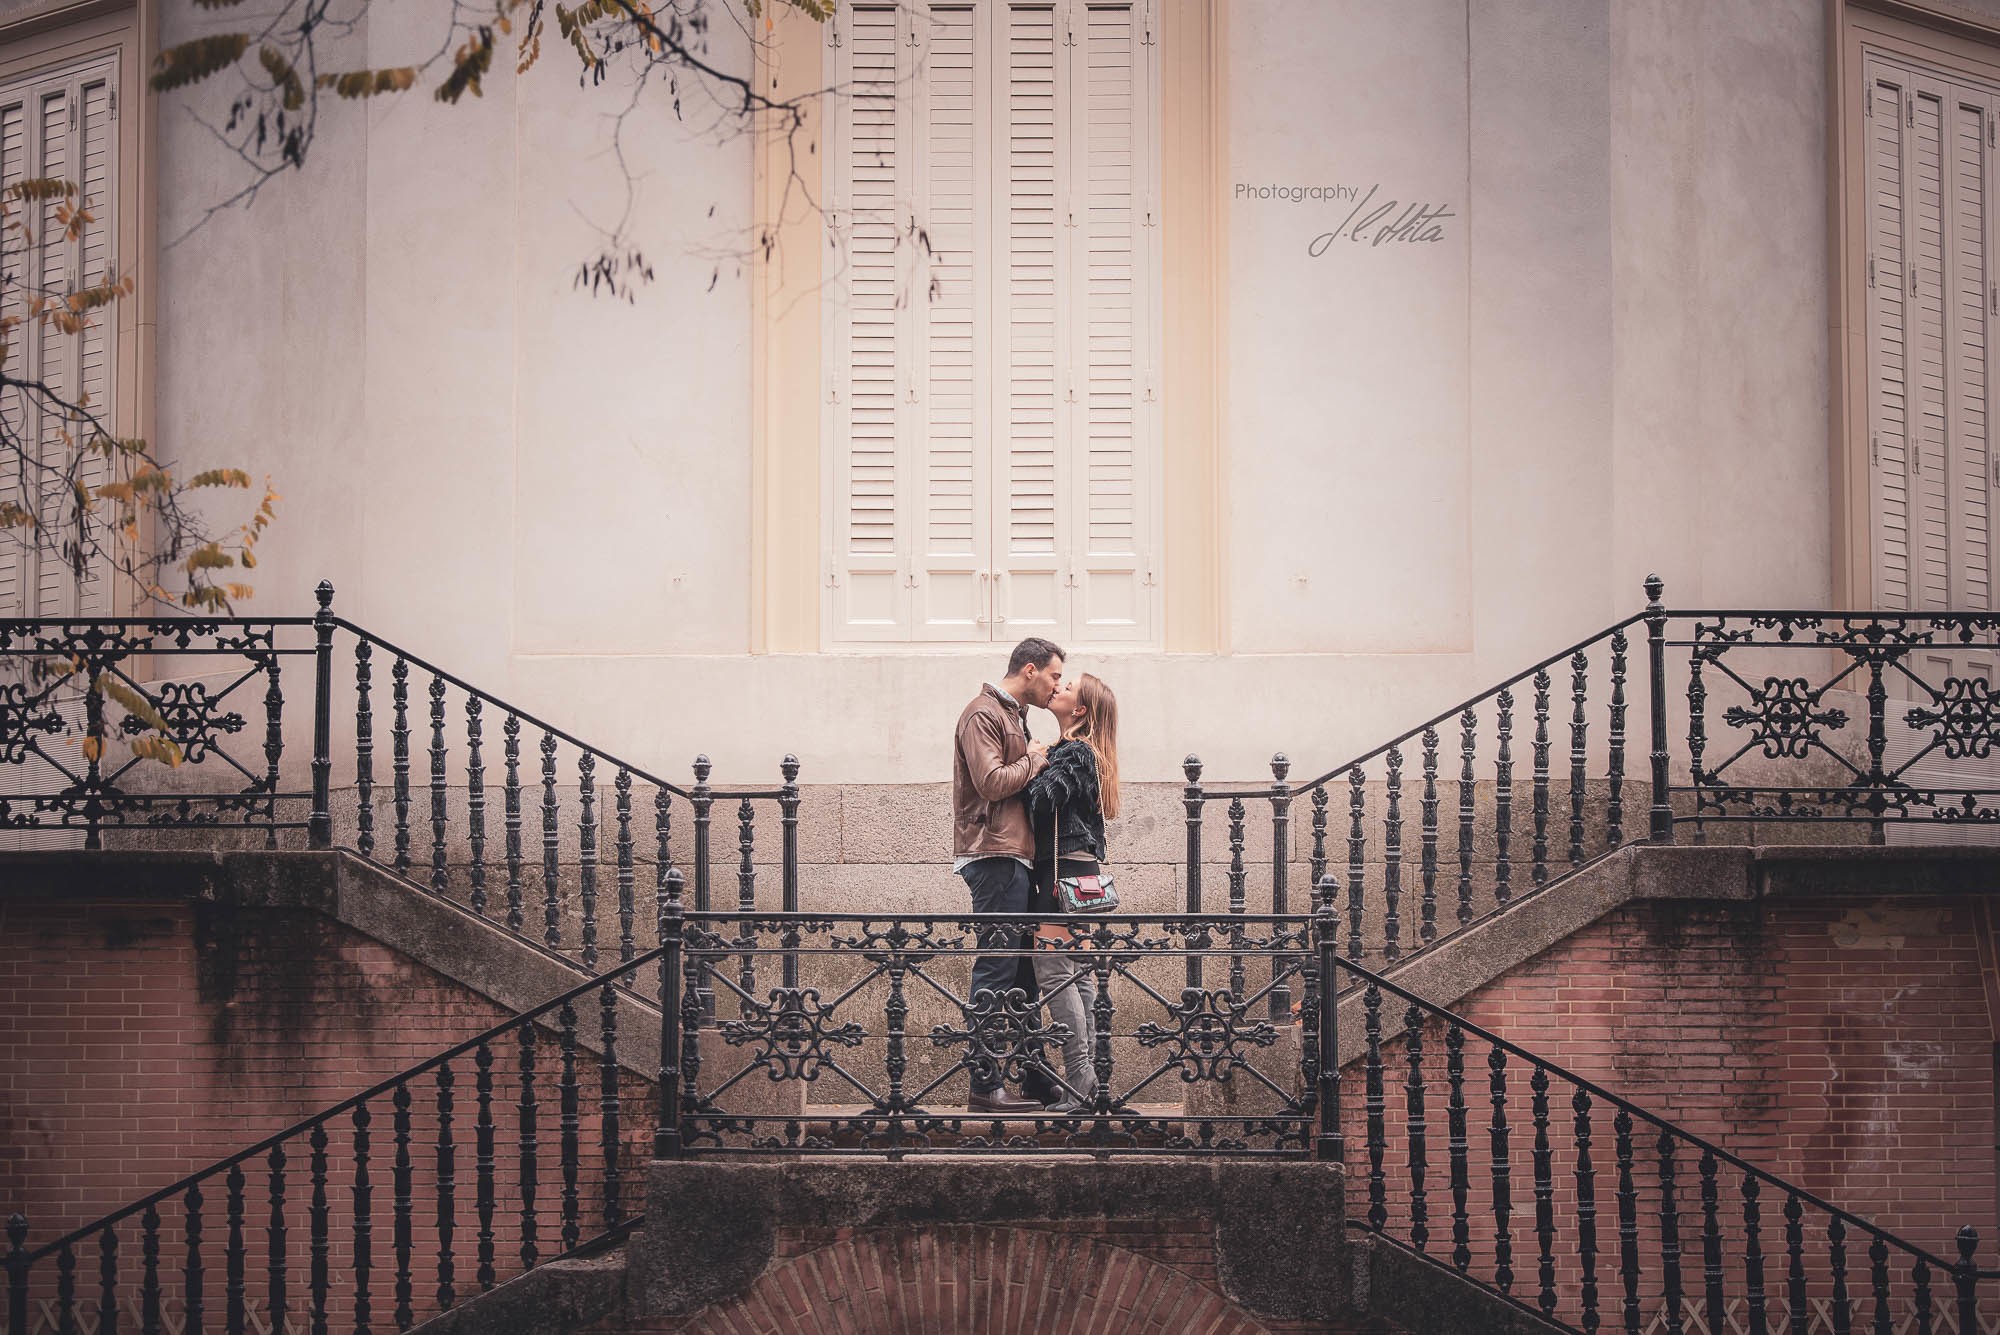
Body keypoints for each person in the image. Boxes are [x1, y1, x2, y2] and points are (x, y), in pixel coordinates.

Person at [952, 636, 1064, 1115]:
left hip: (1013, 854)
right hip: (994, 852)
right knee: (996, 968)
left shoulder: (1013, 716)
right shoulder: (983, 713)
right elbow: (992, 782)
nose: (1057, 686)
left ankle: (1034, 1074)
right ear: (1031, 670)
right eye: (1055, 676)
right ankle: (984, 1084)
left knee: (1021, 972)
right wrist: (1036, 758)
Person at [1023, 672, 1119, 1116]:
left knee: (1055, 973)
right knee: (1075, 976)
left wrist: (1032, 759)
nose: (1057, 689)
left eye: (1067, 689)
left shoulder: (1076, 752)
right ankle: (1088, 1084)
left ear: (1079, 710)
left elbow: (1042, 800)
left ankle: (1080, 1084)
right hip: (1076, 870)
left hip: (1063, 873)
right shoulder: (1079, 751)